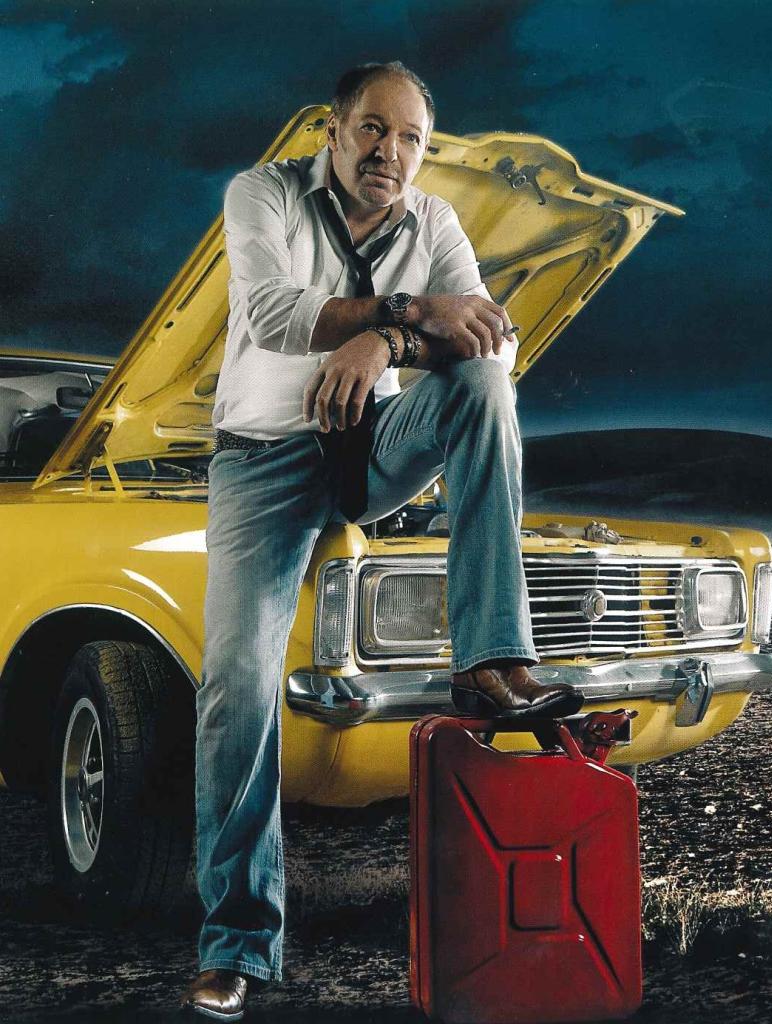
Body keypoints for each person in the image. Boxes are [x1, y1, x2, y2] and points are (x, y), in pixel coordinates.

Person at [179, 61, 583, 1020]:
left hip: (372, 444)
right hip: (264, 461)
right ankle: (237, 943)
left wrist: (386, 344)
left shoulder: (435, 223)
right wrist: (413, 310)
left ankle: (491, 659)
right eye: (372, 128)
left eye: (410, 138)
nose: (389, 152)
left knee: (482, 383)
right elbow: (275, 316)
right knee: (237, 684)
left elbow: (492, 339)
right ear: (332, 129)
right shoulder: (263, 194)